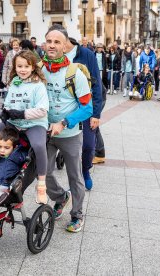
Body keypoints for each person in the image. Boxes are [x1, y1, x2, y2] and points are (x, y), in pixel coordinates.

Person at [42, 26, 93, 232]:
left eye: (57, 42)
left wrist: (63, 122)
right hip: (45, 132)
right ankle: (60, 197)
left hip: (69, 133)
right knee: (43, 171)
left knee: (75, 176)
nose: (52, 45)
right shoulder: (38, 68)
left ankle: (77, 214)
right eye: (49, 41)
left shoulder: (74, 73)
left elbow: (87, 108)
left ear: (65, 46)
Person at [0, 50, 49, 204]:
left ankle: (41, 185)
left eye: (26, 66)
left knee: (39, 145)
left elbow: (42, 110)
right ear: (15, 67)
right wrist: (5, 112)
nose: (22, 69)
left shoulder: (38, 85)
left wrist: (21, 114)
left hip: (34, 124)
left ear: (32, 67)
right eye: (19, 66)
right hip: (15, 123)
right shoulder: (14, 83)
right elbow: (9, 104)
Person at [63, 35, 102, 191]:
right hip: (64, 107)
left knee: (88, 145)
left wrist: (96, 114)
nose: (53, 45)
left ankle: (85, 170)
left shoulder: (86, 54)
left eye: (58, 40)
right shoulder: (53, 56)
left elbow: (96, 83)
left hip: (85, 105)